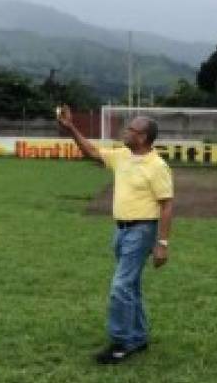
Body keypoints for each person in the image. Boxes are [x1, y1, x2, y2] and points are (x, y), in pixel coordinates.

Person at [57, 106, 174, 365]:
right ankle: (139, 336)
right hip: (121, 231)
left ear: (142, 138)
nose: (125, 131)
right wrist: (71, 129)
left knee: (120, 287)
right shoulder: (123, 156)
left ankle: (121, 342)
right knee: (130, 285)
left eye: (131, 129)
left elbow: (167, 205)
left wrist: (162, 244)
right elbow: (92, 152)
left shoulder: (157, 166)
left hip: (142, 231)